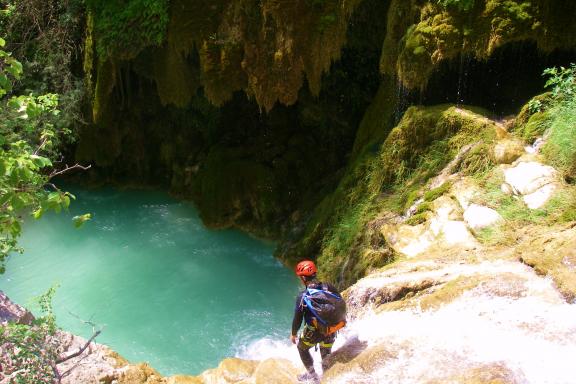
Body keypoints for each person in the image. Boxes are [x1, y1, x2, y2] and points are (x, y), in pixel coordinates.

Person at [291, 260, 341, 382]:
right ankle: (327, 376)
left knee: (301, 348)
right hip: (331, 329)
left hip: (313, 332)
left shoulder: (303, 296)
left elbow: (298, 318)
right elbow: (340, 302)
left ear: (303, 278)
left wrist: (293, 333)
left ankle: (313, 376)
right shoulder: (329, 287)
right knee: (326, 354)